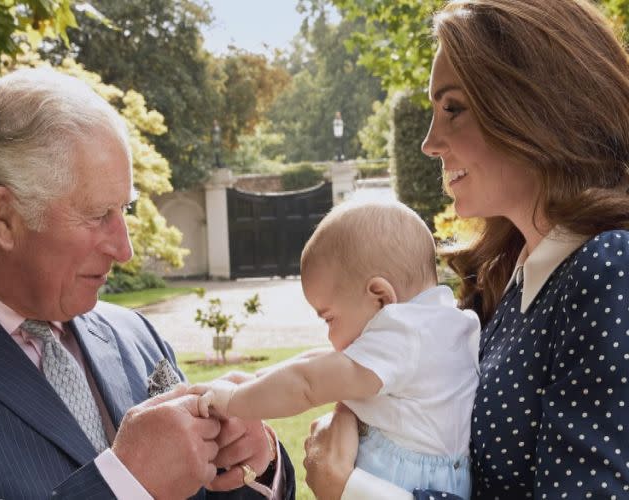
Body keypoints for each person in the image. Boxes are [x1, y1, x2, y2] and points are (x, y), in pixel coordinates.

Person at [0, 67, 295, 499]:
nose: (124, 248)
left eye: (124, 210)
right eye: (98, 216)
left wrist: (255, 463)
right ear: (2, 217)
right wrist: (122, 483)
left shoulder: (134, 336)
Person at [303, 0, 629, 498]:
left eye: (452, 108)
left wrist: (350, 488)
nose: (430, 143)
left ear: (537, 105)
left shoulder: (609, 269)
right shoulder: (517, 276)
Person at [191, 199, 480, 498]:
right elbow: (327, 363)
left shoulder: (405, 334)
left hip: (402, 480)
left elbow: (306, 384)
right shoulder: (444, 324)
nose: (329, 335)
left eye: (329, 318)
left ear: (380, 298)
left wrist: (235, 401)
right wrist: (258, 379)